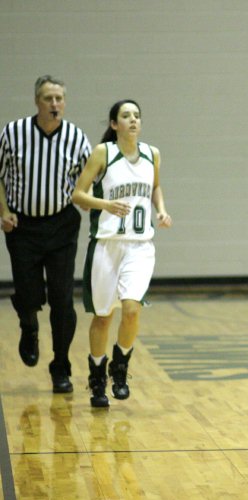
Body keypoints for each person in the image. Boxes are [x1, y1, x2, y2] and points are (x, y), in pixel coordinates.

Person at [71, 99, 172, 408]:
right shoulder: (104, 153)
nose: (133, 120)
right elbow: (78, 194)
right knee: (103, 317)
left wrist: (162, 210)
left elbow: (155, 186)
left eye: (137, 116)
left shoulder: (152, 154)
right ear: (114, 124)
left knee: (131, 309)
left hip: (140, 246)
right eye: (126, 116)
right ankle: (97, 376)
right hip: (107, 244)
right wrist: (106, 205)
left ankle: (121, 366)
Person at [0, 75, 92, 393]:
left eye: (59, 99)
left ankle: (61, 366)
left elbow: (89, 179)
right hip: (22, 226)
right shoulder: (13, 133)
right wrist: (3, 211)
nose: (54, 104)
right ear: (36, 102)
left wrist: (94, 203)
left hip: (62, 225)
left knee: (62, 300)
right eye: (47, 98)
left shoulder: (77, 137)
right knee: (28, 295)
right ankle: (29, 327)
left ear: (64, 103)